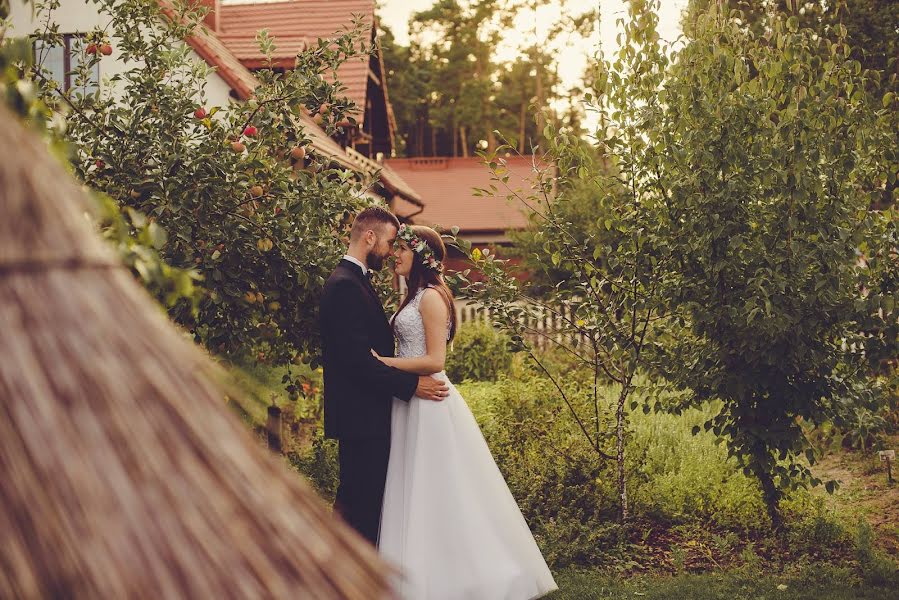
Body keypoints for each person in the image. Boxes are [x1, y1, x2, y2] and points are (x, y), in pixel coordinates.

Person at [373, 224, 558, 599]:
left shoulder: (430, 298)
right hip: (411, 401)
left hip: (431, 404)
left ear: (422, 256)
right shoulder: (412, 296)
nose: (396, 256)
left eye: (403, 250)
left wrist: (386, 364)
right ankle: (413, 574)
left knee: (438, 489)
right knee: (414, 486)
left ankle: (461, 574)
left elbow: (435, 359)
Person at [319, 207, 449, 546]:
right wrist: (411, 385)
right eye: (391, 243)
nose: (392, 252)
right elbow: (358, 362)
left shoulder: (356, 280)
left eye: (400, 247)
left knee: (369, 501)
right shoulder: (344, 284)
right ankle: (347, 573)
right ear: (369, 237)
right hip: (360, 415)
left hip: (371, 412)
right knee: (358, 502)